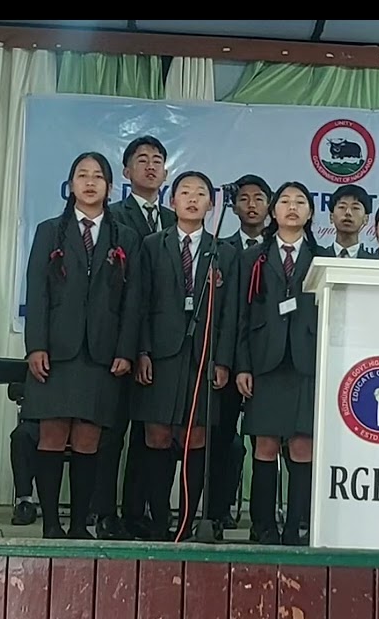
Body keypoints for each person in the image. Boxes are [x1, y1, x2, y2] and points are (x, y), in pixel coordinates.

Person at [22, 151, 143, 540]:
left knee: (90, 438)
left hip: (101, 353)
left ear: (110, 187)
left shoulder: (124, 236)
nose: (90, 182)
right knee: (52, 435)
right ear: (71, 184)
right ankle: (52, 524)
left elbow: (133, 300)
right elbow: (37, 293)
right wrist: (35, 345)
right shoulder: (48, 231)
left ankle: (78, 524)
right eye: (82, 175)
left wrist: (125, 349)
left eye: (98, 177)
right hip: (56, 351)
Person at [132, 171, 237, 541]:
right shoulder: (150, 245)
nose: (193, 199)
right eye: (185, 192)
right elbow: (139, 304)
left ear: (211, 204)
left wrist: (222, 360)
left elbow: (230, 314)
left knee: (196, 439)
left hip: (202, 359)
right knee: (157, 437)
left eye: (201, 193)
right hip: (160, 357)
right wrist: (141, 350)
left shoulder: (224, 252)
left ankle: (187, 522)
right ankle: (159, 523)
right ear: (171, 200)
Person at [97, 135, 177, 540]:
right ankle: (105, 513)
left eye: (157, 160)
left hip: (159, 347)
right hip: (116, 344)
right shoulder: (112, 217)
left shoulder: (172, 220)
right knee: (111, 434)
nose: (150, 166)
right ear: (126, 172)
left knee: (149, 438)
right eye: (141, 160)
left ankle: (137, 511)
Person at [235, 181, 322, 546]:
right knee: (265, 447)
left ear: (310, 213)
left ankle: (296, 527)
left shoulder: (323, 257)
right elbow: (239, 314)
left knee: (302, 446)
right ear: (273, 211)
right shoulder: (253, 256)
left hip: (307, 361)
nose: (291, 207)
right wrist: (241, 364)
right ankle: (263, 525)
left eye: (300, 201)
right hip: (264, 361)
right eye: (284, 201)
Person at [210, 174, 272, 530]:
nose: (251, 204)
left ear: (270, 205)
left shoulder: (282, 246)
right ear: (233, 207)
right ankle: (218, 511)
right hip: (231, 361)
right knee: (223, 440)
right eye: (244, 198)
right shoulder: (222, 246)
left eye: (259, 198)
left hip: (272, 362)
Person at [6, 382, 39, 526]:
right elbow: (14, 390)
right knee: (20, 436)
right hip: (38, 418)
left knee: (93, 436)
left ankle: (86, 505)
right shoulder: (35, 360)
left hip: (74, 419)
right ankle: (24, 501)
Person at [324, 184, 376, 258]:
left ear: (366, 219)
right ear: (331, 217)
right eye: (342, 207)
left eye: (355, 208)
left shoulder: (374, 261)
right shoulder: (317, 256)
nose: (348, 212)